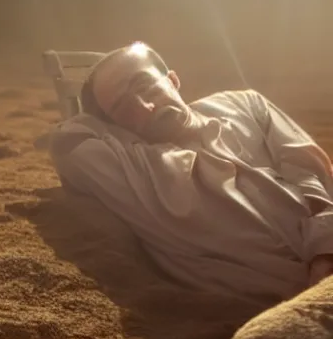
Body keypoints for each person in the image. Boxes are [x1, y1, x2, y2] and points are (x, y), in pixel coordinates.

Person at [47, 41, 333, 304]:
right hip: (284, 305)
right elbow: (68, 140)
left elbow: (312, 172)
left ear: (173, 79)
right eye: (124, 108)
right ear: (115, 126)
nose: (146, 107)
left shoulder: (245, 106)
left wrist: (324, 249)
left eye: (146, 86)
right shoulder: (138, 170)